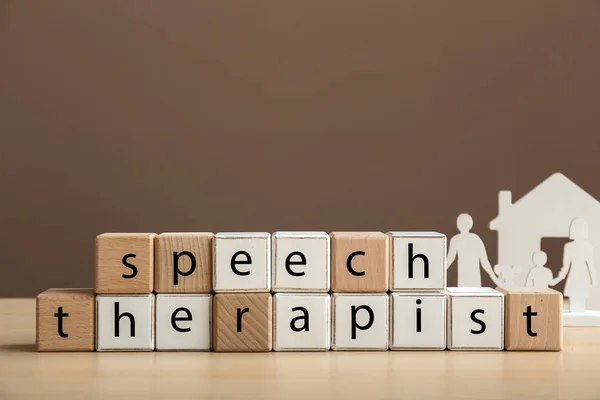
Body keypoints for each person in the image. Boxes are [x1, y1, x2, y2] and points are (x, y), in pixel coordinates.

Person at [552, 218, 598, 313]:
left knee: (580, 301)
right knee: (574, 303)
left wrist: (594, 279)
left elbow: (591, 266)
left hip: (582, 277)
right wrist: (559, 278)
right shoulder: (570, 247)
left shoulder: (587, 247)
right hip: (575, 277)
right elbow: (566, 266)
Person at [447, 214, 499, 287]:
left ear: (470, 224)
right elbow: (449, 259)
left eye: (465, 223)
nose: (463, 225)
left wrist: (493, 276)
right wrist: (439, 273)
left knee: (473, 295)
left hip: (474, 277)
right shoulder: (455, 239)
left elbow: (484, 261)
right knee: (464, 295)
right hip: (463, 277)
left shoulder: (475, 239)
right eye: (461, 222)